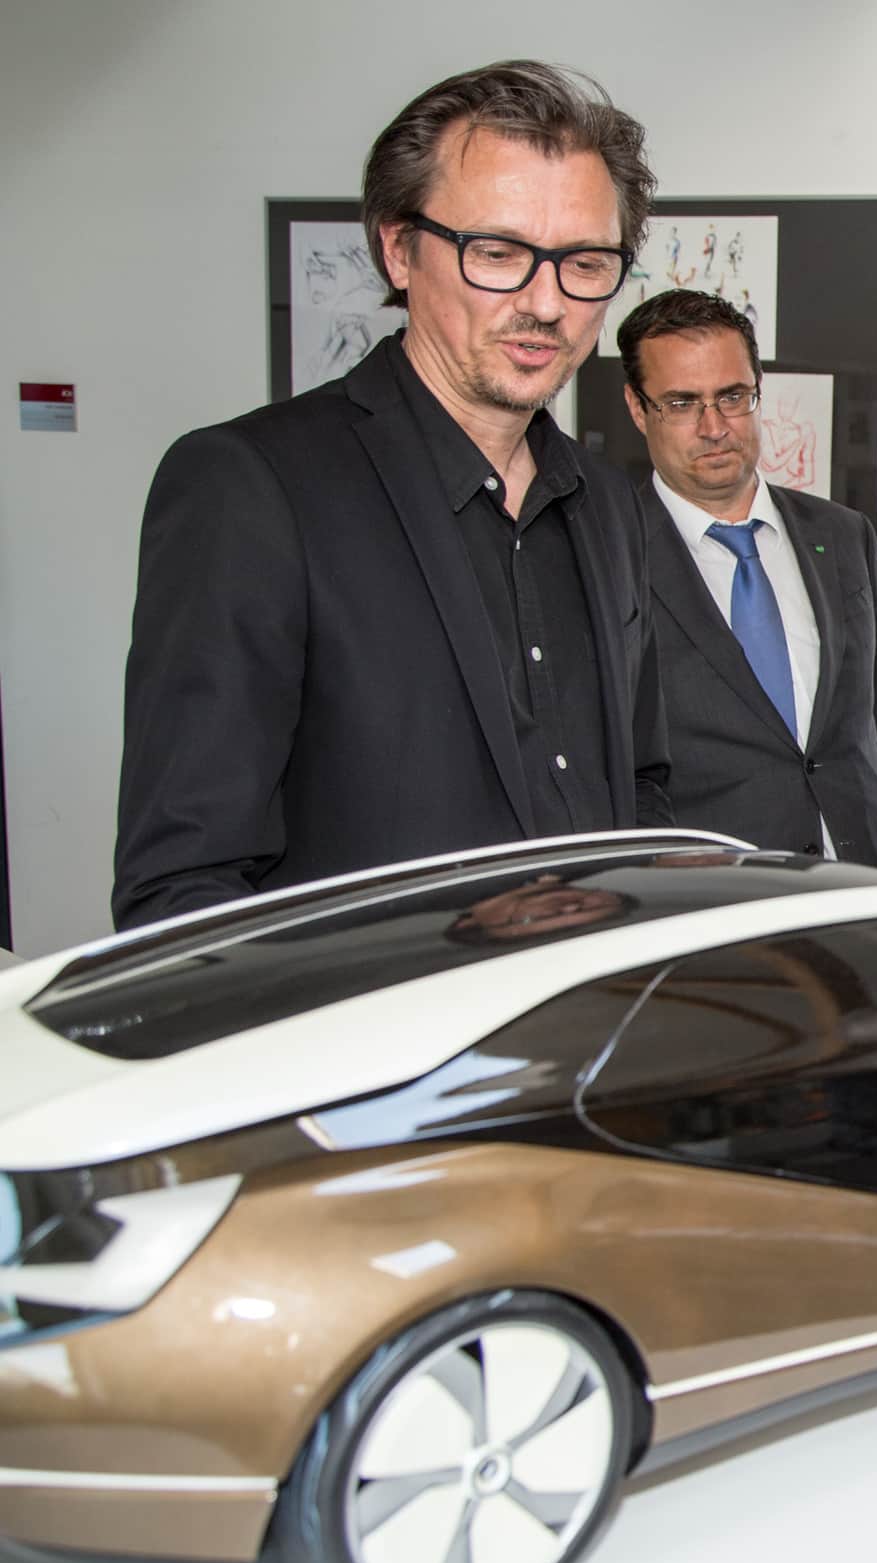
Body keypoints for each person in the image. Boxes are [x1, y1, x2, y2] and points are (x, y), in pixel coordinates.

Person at [112, 60, 669, 930]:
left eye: (586, 262)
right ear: (398, 248)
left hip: (590, 1040)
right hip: (372, 1050)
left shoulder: (612, 501)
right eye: (497, 253)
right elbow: (184, 889)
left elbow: (642, 790)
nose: (547, 302)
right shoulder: (250, 486)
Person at [619, 290, 877, 869]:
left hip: (862, 889)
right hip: (709, 909)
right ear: (636, 407)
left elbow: (876, 738)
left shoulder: (844, 534)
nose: (713, 427)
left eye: (732, 397)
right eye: (681, 403)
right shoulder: (609, 555)